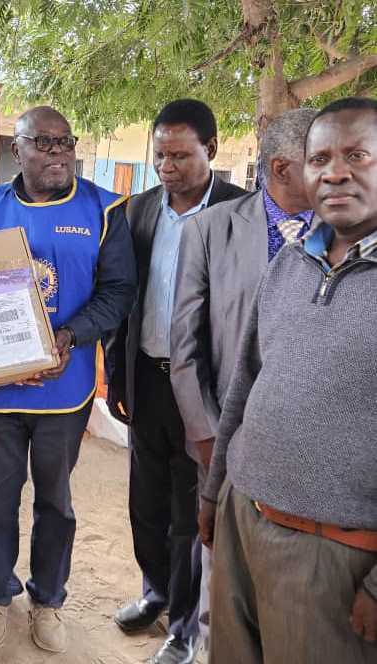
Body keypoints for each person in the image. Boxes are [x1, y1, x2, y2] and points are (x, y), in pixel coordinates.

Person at [199, 96, 377, 664]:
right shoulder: (291, 262)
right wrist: (215, 489)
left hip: (337, 555)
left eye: (358, 155)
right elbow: (245, 388)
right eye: (320, 158)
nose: (335, 172)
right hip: (241, 520)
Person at [0, 106, 138, 654]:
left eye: (67, 143)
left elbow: (118, 293)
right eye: (45, 143)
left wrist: (70, 337)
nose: (60, 153)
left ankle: (49, 599)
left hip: (66, 389)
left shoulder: (104, 210)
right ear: (17, 150)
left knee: (56, 503)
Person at [169, 108, 317, 662]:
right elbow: (185, 348)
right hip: (227, 447)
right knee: (221, 585)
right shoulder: (211, 229)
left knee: (297, 598)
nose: (335, 177)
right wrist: (207, 437)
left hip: (311, 458)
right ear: (281, 167)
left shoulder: (349, 236)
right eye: (319, 160)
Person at [106, 99, 246, 664]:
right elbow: (122, 299)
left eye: (181, 155)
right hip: (146, 376)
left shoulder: (243, 212)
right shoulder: (136, 212)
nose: (167, 166)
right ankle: (155, 593)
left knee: (195, 513)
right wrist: (117, 375)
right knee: (147, 500)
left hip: (207, 389)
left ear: (210, 151)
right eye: (160, 154)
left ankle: (186, 629)